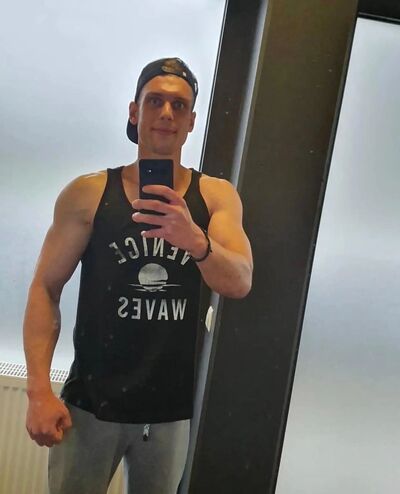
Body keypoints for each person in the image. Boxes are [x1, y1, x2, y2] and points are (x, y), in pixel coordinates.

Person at [23, 57, 253, 494]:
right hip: (90, 403)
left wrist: (195, 239)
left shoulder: (214, 197)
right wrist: (38, 391)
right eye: (155, 101)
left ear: (191, 122)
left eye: (179, 105)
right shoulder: (88, 194)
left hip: (169, 409)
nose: (166, 113)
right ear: (134, 112)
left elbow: (239, 281)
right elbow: (45, 288)